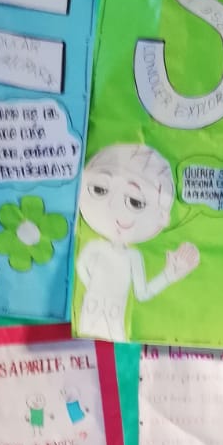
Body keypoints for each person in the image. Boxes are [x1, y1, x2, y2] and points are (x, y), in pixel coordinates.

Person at [75, 144, 200, 342]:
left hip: (115, 319)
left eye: (135, 202)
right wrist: (94, 289)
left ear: (162, 218)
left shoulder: (133, 256)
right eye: (99, 189)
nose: (113, 206)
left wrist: (169, 275)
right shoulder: (94, 247)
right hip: (89, 311)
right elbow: (81, 266)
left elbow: (142, 293)